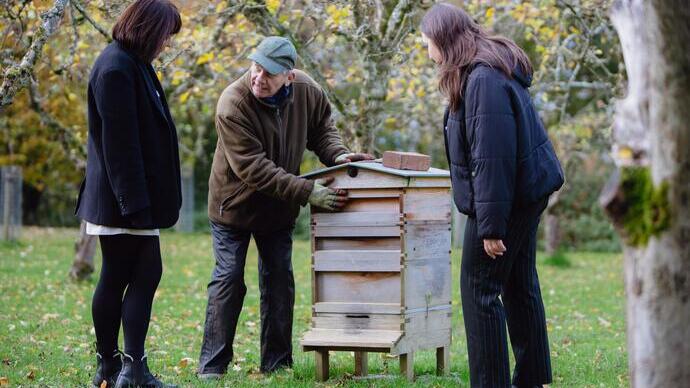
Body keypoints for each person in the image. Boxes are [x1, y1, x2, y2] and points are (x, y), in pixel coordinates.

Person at [197, 36, 373, 378]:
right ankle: (212, 367)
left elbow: (322, 128)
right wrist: (308, 192)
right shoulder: (233, 103)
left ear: (289, 76)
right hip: (233, 207)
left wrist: (338, 156)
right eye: (255, 68)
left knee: (279, 280)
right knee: (229, 278)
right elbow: (254, 168)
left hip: (278, 210)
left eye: (268, 74)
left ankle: (277, 364)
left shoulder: (307, 90)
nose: (258, 78)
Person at [421, 4, 564, 388]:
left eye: (428, 42)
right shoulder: (484, 69)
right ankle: (532, 379)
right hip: (522, 192)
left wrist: (491, 228)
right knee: (518, 280)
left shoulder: (482, 79)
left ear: (445, 40)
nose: (427, 51)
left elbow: (492, 158)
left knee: (479, 289)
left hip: (509, 198)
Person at [74, 0, 182, 386]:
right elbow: (119, 146)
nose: (166, 44)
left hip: (129, 198)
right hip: (124, 200)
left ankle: (120, 367)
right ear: (148, 28)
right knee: (137, 272)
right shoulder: (116, 67)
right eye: (165, 36)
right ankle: (126, 368)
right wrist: (135, 206)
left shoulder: (133, 62)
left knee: (123, 273)